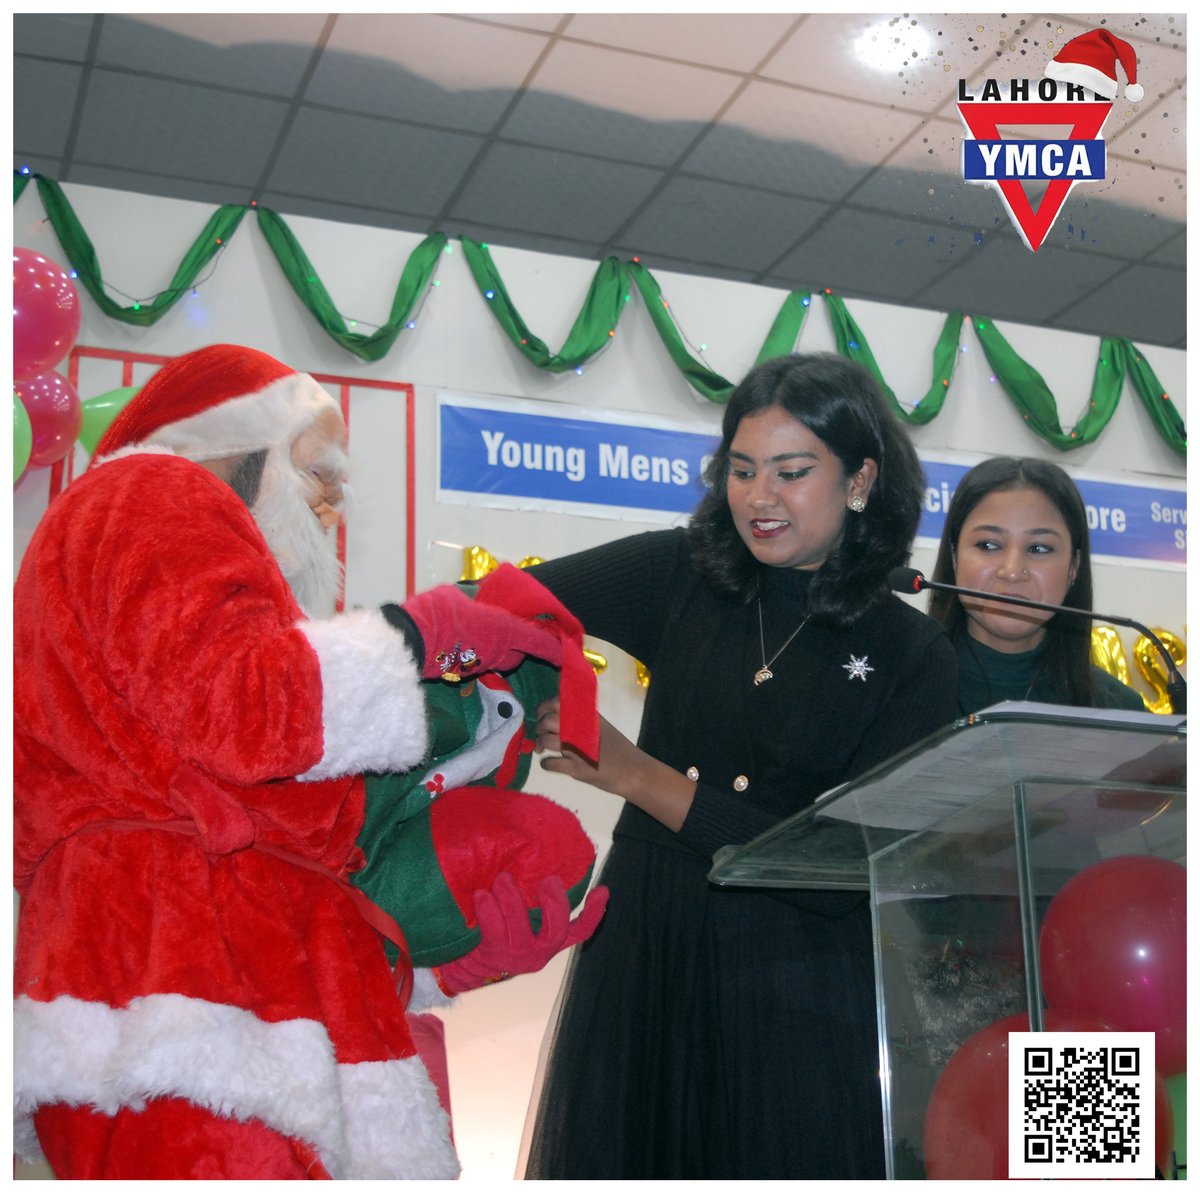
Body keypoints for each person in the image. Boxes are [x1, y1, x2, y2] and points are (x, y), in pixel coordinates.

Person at [12, 343, 601, 1180]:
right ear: (221, 439)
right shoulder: (152, 488)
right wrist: (420, 632)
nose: (332, 496)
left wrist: (440, 961)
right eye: (313, 462)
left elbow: (298, 867)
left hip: (227, 990)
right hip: (171, 993)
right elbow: (245, 710)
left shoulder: (211, 608)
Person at [519, 352, 961, 1179]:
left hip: (796, 987)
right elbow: (501, 607)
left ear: (860, 481)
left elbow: (844, 871)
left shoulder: (913, 651)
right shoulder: (681, 573)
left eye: (791, 472)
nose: (760, 497)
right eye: (742, 469)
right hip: (651, 950)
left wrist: (638, 776)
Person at [928, 456, 1147, 713]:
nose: (1011, 572)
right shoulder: (896, 683)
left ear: (1073, 567)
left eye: (1039, 548)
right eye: (988, 545)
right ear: (954, 556)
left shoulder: (1118, 710)